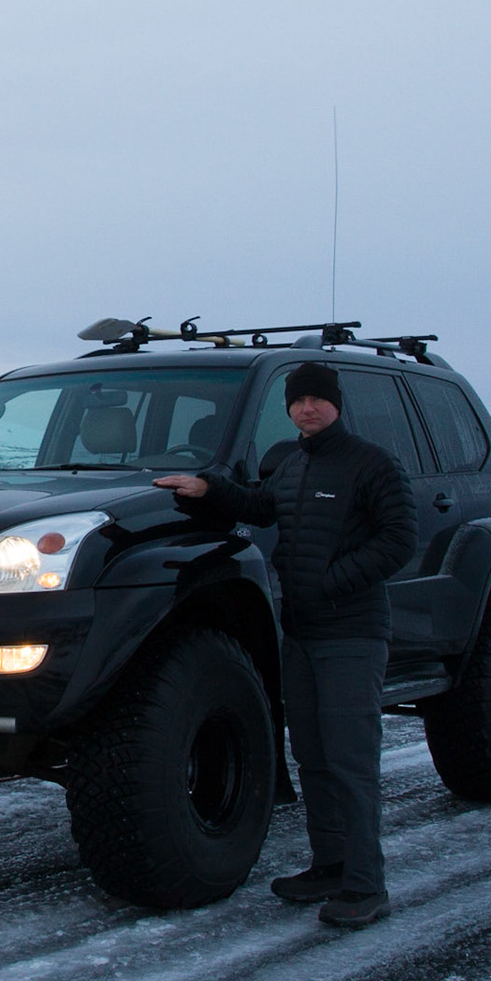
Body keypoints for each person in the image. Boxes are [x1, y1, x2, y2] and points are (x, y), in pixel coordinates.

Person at [154, 361, 417, 928]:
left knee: (351, 761)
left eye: (318, 400)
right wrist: (207, 490)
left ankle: (367, 885)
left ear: (336, 404)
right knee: (313, 757)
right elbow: (259, 505)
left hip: (352, 634)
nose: (308, 409)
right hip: (300, 634)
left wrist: (331, 580)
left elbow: (399, 540)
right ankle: (330, 864)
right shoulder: (293, 462)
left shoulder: (371, 463)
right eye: (299, 401)